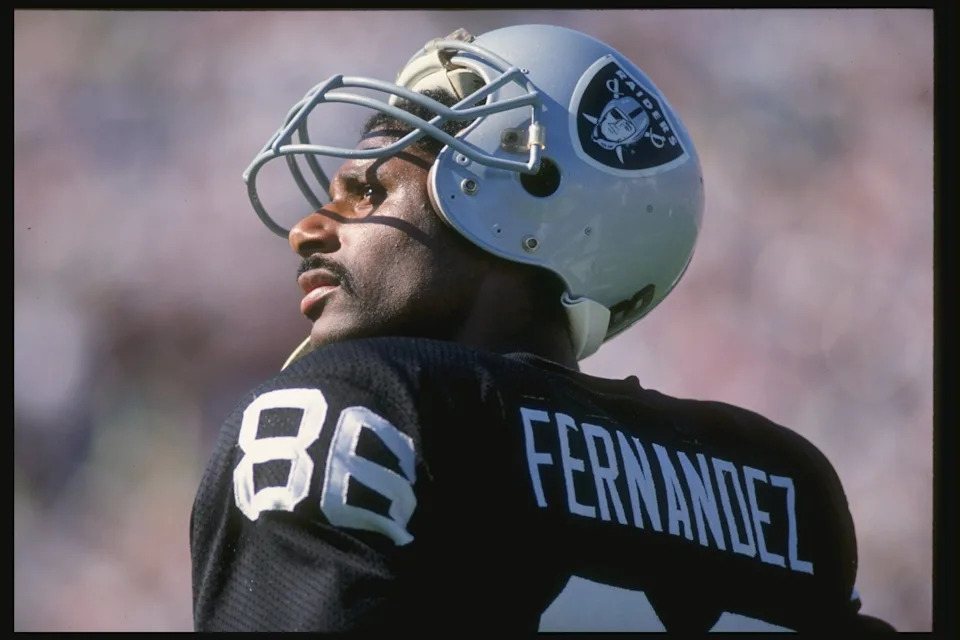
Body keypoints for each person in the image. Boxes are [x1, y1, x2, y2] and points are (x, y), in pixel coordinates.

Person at [189, 24, 895, 632]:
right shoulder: (787, 487)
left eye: (369, 192)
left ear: (524, 195)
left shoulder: (356, 409)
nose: (307, 230)